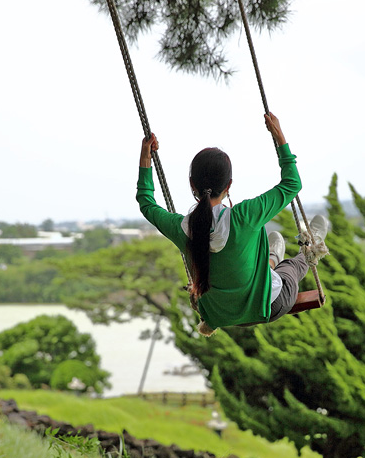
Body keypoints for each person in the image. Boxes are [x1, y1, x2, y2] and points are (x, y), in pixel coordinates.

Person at [136, 112, 328, 335]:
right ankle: (310, 250)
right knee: (292, 268)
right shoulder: (244, 215)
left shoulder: (182, 229)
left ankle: (272, 259)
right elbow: (292, 183)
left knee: (251, 266)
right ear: (229, 186)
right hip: (268, 307)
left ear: (192, 184)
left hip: (219, 314)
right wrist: (279, 137)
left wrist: (145, 158)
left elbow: (146, 202)